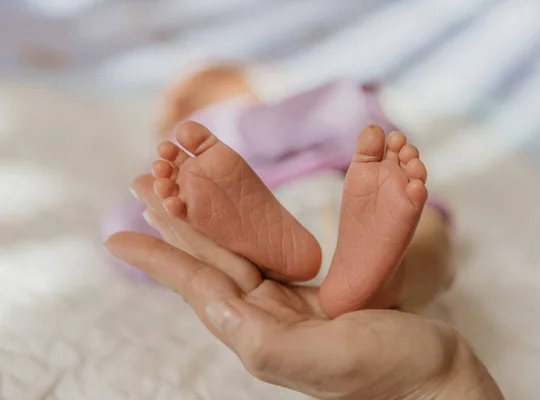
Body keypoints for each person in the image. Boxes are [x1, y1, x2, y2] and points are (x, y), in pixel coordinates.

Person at [104, 121, 504, 399]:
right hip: (297, 204)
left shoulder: (301, 130)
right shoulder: (193, 173)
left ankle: (368, 275)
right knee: (430, 241)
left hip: (346, 192)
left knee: (424, 226)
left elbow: (356, 119)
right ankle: (379, 281)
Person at [102, 64, 453, 316]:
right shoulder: (237, 121)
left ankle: (271, 270)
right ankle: (390, 282)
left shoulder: (187, 153)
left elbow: (129, 225)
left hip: (271, 223)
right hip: (339, 197)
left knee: (171, 224)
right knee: (428, 242)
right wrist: (361, 100)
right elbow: (339, 111)